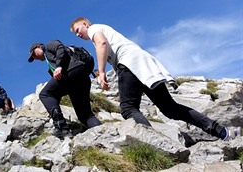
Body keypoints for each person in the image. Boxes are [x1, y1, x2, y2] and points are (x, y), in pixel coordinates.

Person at [70, 17, 242, 141]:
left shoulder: (94, 29)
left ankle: (158, 144)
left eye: (78, 30)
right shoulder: (106, 30)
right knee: (170, 108)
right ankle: (222, 132)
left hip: (129, 63)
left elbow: (102, 44)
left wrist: (101, 72)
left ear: (85, 24)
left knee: (128, 109)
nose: (78, 35)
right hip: (142, 63)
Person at [28, 41, 102, 138]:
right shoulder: (50, 63)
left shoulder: (49, 46)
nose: (35, 58)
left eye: (34, 54)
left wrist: (59, 66)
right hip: (80, 77)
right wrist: (52, 107)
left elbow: (59, 48)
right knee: (84, 115)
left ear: (38, 47)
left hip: (71, 71)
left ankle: (62, 129)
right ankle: (102, 132)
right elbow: (56, 92)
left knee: (44, 94)